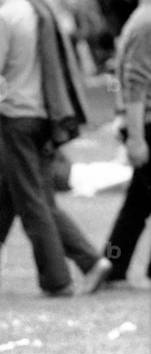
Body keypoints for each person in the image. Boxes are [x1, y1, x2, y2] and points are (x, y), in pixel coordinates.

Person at [0, 0, 92, 297]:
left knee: (29, 204)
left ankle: (57, 278)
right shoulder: (41, 11)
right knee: (1, 208)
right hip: (43, 117)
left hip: (15, 119)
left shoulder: (3, 18)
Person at [0, 132, 113, 295]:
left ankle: (60, 278)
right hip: (38, 129)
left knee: (0, 207)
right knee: (24, 204)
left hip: (15, 126)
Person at [97, 0, 151, 289]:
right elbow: (134, 82)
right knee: (138, 204)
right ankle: (112, 265)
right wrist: (137, 137)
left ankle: (113, 264)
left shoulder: (140, 19)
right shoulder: (147, 23)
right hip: (146, 124)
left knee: (138, 204)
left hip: (142, 123)